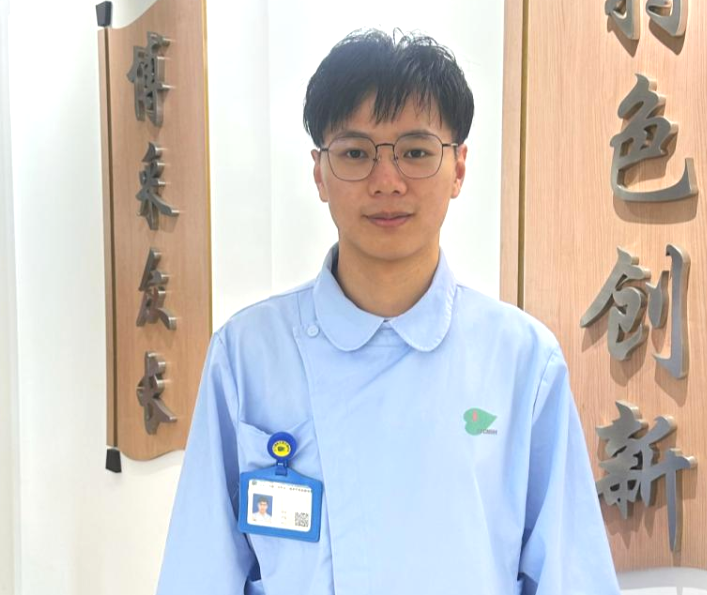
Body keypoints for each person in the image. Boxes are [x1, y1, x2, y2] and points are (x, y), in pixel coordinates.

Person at [157, 29, 621, 595]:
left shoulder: (522, 361)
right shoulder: (247, 353)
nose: (387, 182)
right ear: (319, 172)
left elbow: (569, 576)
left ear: (459, 168)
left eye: (416, 152)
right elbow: (201, 570)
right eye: (356, 153)